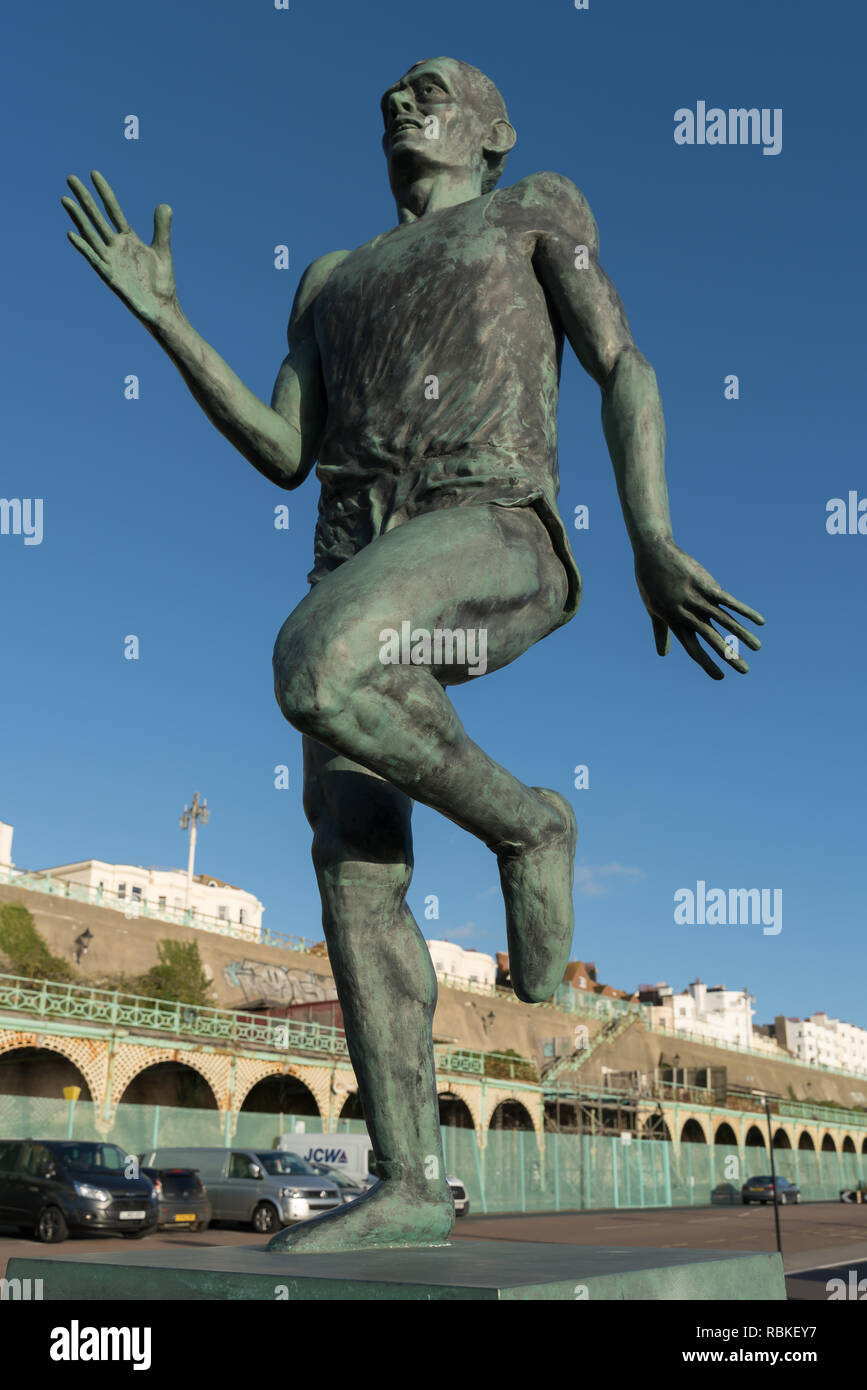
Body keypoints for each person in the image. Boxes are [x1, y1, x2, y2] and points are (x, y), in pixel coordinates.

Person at [63, 57, 763, 1251]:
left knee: (314, 664)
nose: (403, 101)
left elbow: (622, 363)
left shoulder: (536, 205)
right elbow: (288, 448)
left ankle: (528, 821)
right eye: (391, 92)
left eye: (432, 88)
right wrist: (166, 319)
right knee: (353, 863)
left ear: (493, 132)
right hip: (359, 564)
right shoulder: (327, 281)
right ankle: (406, 1179)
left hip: (490, 532)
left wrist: (648, 529)